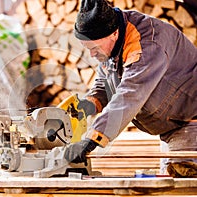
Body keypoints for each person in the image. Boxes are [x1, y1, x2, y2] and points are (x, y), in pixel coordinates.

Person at [64, 0, 197, 177]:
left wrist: (92, 139)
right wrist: (89, 104)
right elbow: (105, 81)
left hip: (190, 122)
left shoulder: (147, 44)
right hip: (173, 125)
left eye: (94, 48)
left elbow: (129, 95)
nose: (91, 54)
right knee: (171, 183)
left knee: (182, 188)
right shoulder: (112, 36)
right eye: (86, 48)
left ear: (114, 34)